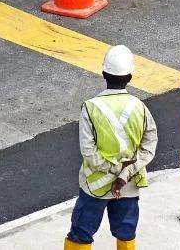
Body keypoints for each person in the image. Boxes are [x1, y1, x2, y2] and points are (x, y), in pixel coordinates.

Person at [65, 45, 157, 250]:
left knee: (81, 233)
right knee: (126, 232)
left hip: (95, 185)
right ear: (130, 77)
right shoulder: (139, 107)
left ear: (104, 73)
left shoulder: (90, 107)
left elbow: (88, 151)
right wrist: (125, 173)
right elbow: (149, 147)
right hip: (128, 185)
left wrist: (113, 169)